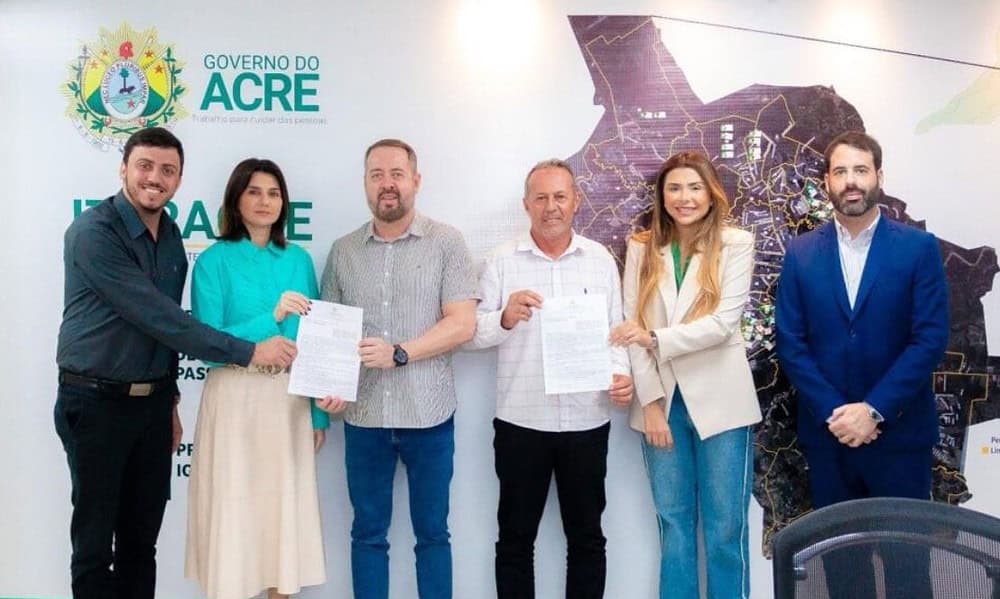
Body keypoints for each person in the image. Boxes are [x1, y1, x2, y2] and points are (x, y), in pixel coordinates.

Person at [55, 128, 297, 599]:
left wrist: (169, 401)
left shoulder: (168, 234)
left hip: (151, 406)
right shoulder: (93, 233)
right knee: (93, 545)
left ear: (179, 179)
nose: (155, 178)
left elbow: (163, 334)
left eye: (168, 170)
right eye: (145, 166)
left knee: (140, 542)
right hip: (95, 402)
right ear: (123, 168)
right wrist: (251, 351)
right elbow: (160, 318)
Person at [775, 130, 949, 599]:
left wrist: (873, 410)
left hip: (900, 438)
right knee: (844, 574)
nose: (851, 181)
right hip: (829, 439)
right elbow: (791, 342)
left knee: (908, 572)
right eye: (840, 172)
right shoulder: (800, 253)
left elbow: (929, 338)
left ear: (878, 176)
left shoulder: (918, 248)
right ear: (827, 183)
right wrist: (838, 413)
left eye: (860, 170)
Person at [467, 159, 633, 599]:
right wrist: (504, 318)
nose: (551, 206)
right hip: (522, 423)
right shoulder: (501, 261)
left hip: (587, 421)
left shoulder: (600, 260)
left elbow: (616, 332)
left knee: (587, 538)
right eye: (540, 197)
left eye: (560, 196)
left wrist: (621, 374)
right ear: (526, 205)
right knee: (515, 540)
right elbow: (471, 335)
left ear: (576, 201)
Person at [320, 138, 478, 599]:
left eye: (396, 174)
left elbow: (462, 323)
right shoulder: (344, 251)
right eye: (377, 175)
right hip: (364, 418)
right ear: (365, 184)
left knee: (433, 534)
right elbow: (330, 334)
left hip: (429, 416)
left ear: (415, 180)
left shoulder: (446, 242)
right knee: (367, 534)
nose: (386, 184)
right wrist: (330, 387)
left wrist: (400, 352)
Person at [184, 158, 347, 599]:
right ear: (235, 200)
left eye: (274, 193)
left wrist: (317, 414)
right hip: (234, 399)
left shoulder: (298, 260)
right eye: (254, 192)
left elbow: (315, 340)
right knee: (234, 512)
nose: (264, 201)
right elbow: (207, 341)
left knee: (282, 518)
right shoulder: (213, 261)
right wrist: (269, 319)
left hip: (287, 402)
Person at [609, 151, 762, 599]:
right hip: (662, 404)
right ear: (661, 196)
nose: (684, 197)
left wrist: (654, 338)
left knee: (725, 530)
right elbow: (630, 326)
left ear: (711, 194)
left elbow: (722, 325)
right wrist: (651, 404)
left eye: (695, 187)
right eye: (674, 188)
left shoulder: (736, 244)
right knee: (674, 527)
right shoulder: (642, 247)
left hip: (724, 404)